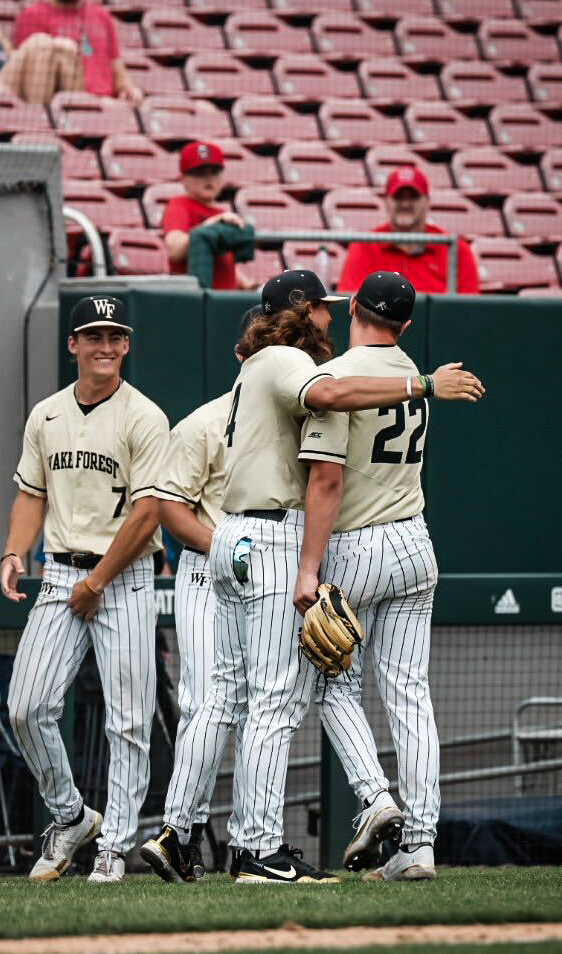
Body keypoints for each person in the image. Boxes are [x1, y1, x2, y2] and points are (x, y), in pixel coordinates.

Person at [140, 270, 484, 885]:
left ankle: (181, 835)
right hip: (287, 536)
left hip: (236, 536)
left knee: (229, 699)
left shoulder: (264, 367)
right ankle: (262, 849)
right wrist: (425, 383)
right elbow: (324, 425)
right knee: (280, 702)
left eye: (333, 306)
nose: (327, 316)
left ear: (355, 308)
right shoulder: (293, 363)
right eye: (318, 308)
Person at [1, 295, 168, 884]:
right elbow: (31, 492)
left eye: (115, 335)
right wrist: (13, 550)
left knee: (127, 720)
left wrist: (98, 582)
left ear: (126, 345)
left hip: (121, 575)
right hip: (61, 570)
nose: (105, 345)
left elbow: (148, 513)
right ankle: (71, 815)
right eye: (93, 335)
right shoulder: (46, 414)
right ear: (72, 344)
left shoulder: (144, 415)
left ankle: (114, 848)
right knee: (26, 706)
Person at [299, 272, 445, 882]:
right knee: (410, 693)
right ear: (406, 324)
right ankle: (421, 845)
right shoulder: (418, 372)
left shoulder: (341, 377)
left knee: (335, 685)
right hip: (416, 542)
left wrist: (308, 566)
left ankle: (375, 798)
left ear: (353, 306)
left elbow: (326, 480)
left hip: (357, 544)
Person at [141, 325, 252, 882]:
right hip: (207, 571)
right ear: (240, 354)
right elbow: (169, 509)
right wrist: (229, 546)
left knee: (261, 708)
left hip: (269, 577)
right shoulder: (205, 423)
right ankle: (180, 832)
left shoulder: (297, 420)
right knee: (207, 701)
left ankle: (224, 841)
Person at [11, 0, 143, 103]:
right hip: (62, 105)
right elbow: (26, 79)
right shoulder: (32, 16)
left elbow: (117, 67)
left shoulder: (102, 16)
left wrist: (128, 88)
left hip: (107, 107)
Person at [336, 167, 479, 296]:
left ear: (427, 201)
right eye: (398, 197)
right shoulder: (365, 246)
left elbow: (467, 311)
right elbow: (350, 305)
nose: (405, 204)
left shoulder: (456, 249)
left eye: (413, 197)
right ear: (386, 201)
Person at [162, 142, 258, 292]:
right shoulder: (179, 205)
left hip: (225, 300)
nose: (208, 179)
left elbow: (223, 261)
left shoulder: (221, 212)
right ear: (183, 179)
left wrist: (247, 284)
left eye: (214, 172)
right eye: (200, 173)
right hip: (194, 302)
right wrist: (211, 223)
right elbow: (175, 250)